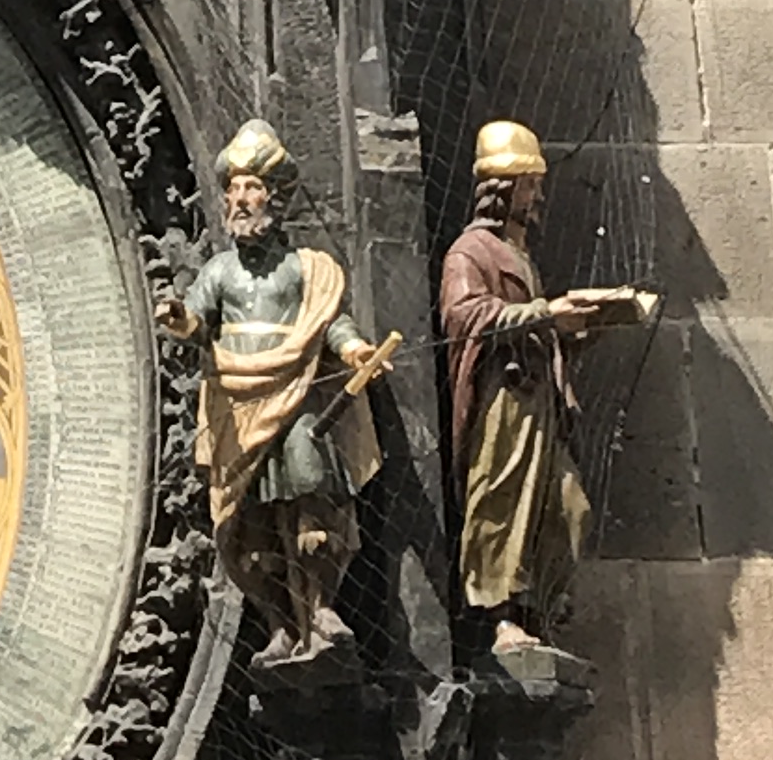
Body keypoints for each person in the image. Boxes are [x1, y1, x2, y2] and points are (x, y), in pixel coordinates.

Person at [161, 118, 393, 664]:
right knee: (249, 521)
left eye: (252, 187)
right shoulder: (220, 271)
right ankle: (280, 625)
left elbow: (327, 322)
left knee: (311, 485)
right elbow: (196, 320)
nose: (240, 199)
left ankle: (322, 609)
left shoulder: (303, 268)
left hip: (294, 397)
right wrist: (178, 318)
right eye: (234, 188)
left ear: (274, 197)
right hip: (239, 405)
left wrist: (354, 350)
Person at [440, 119, 652, 660]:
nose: (538, 196)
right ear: (503, 188)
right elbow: (464, 315)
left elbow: (536, 328)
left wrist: (584, 325)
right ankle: (502, 618)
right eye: (530, 185)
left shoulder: (520, 253)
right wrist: (544, 313)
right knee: (503, 500)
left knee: (567, 506)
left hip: (540, 401)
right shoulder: (470, 251)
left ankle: (538, 611)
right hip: (504, 403)